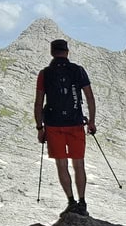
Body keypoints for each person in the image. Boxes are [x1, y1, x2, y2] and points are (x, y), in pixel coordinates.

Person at [34, 38, 97, 216]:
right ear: (67, 52)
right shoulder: (78, 70)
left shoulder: (44, 74)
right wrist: (91, 121)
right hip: (76, 123)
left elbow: (39, 103)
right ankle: (82, 203)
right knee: (79, 164)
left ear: (52, 52)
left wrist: (40, 128)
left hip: (53, 125)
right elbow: (90, 98)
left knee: (61, 165)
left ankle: (71, 202)